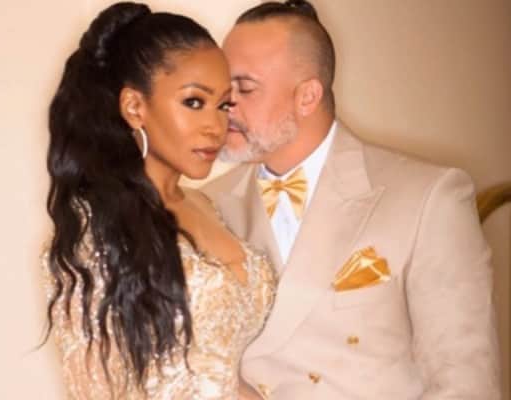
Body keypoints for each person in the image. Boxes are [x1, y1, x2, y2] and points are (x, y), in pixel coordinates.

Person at [203, 1, 501, 399]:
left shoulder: (429, 196)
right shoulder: (205, 206)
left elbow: (465, 381)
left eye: (244, 88)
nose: (226, 106)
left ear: (307, 96)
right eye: (223, 89)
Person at [41, 2, 277, 399]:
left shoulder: (205, 206)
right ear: (135, 107)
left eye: (223, 105)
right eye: (194, 102)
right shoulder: (93, 233)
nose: (215, 126)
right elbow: (95, 391)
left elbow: (223, 372)